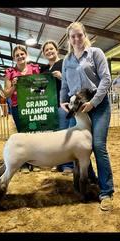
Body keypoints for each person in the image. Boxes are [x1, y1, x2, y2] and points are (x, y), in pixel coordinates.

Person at [60, 21, 114, 211]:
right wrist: (62, 101)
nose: (76, 39)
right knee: (78, 146)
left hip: (98, 106)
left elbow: (106, 78)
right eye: (73, 36)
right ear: (69, 39)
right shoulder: (67, 60)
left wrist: (94, 102)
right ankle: (90, 179)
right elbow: (65, 85)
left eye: (79, 35)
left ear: (85, 35)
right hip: (78, 108)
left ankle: (106, 191)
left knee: (98, 146)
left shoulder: (96, 53)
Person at [4, 44, 40, 173]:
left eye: (22, 54)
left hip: (32, 105)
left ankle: (35, 162)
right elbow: (6, 94)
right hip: (17, 106)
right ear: (14, 58)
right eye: (17, 55)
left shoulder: (35, 69)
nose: (20, 56)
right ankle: (24, 162)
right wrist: (13, 85)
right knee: (22, 134)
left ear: (26, 55)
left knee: (34, 133)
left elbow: (40, 87)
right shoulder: (10, 72)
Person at [40, 39, 73, 174]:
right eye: (46, 50)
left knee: (65, 134)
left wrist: (61, 76)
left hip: (63, 104)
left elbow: (73, 80)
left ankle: (68, 165)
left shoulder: (65, 63)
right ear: (43, 53)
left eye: (51, 49)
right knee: (54, 136)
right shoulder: (45, 69)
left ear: (57, 50)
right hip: (50, 106)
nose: (49, 51)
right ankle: (58, 163)